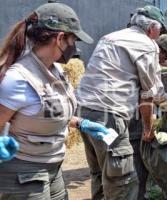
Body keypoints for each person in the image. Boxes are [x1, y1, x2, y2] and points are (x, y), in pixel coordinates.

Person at [0, 3, 109, 199]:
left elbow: (46, 110)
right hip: (24, 171)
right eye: (73, 39)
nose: (74, 46)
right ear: (60, 38)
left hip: (54, 167)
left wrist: (80, 123)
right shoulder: (19, 79)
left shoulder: (54, 71)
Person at [75, 5, 167, 200]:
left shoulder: (110, 37)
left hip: (84, 112)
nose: (159, 35)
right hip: (109, 116)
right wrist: (148, 128)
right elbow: (148, 94)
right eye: (160, 30)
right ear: (152, 28)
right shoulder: (148, 44)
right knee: (122, 179)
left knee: (100, 172)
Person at [128, 34, 167, 200]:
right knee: (138, 161)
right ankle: (138, 196)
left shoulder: (140, 54)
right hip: (135, 114)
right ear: (160, 50)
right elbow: (156, 94)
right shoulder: (150, 61)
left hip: (128, 110)